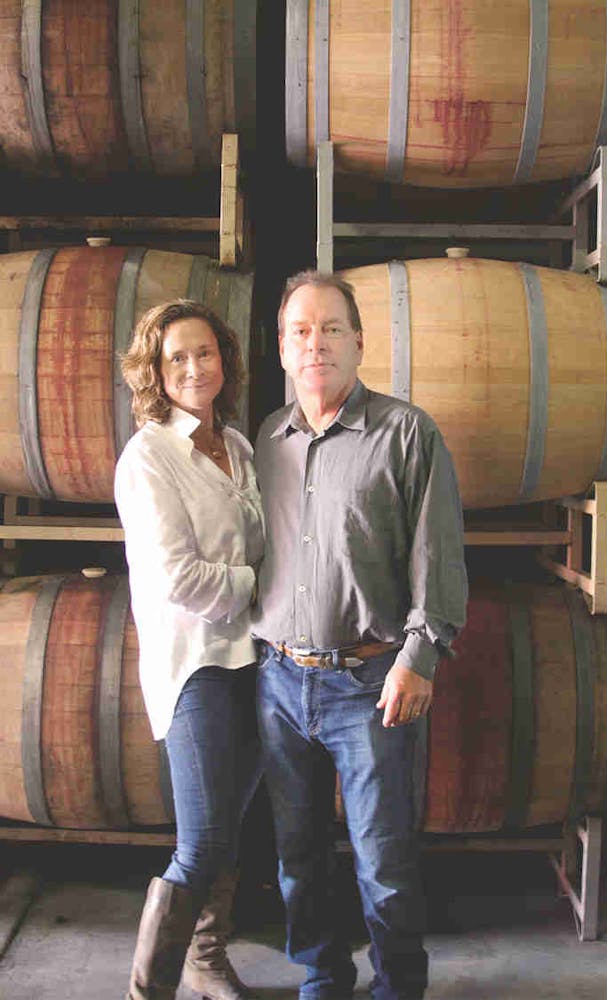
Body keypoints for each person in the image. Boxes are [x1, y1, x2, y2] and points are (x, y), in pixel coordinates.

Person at [252, 271, 468, 1000]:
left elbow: (435, 558)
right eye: (300, 332)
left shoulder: (407, 432)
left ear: (358, 341)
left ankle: (398, 988)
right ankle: (320, 977)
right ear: (283, 349)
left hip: (371, 684)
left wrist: (420, 656)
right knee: (297, 855)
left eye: (330, 328)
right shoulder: (266, 440)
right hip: (279, 680)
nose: (315, 344)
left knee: (382, 860)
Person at [115, 299, 263, 1000]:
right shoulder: (148, 457)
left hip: (254, 659)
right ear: (154, 369)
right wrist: (266, 586)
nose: (193, 366)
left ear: (224, 361)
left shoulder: (235, 447)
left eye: (204, 353)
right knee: (200, 841)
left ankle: (205, 963)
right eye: (176, 356)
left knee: (229, 831)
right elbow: (176, 578)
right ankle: (148, 991)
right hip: (196, 663)